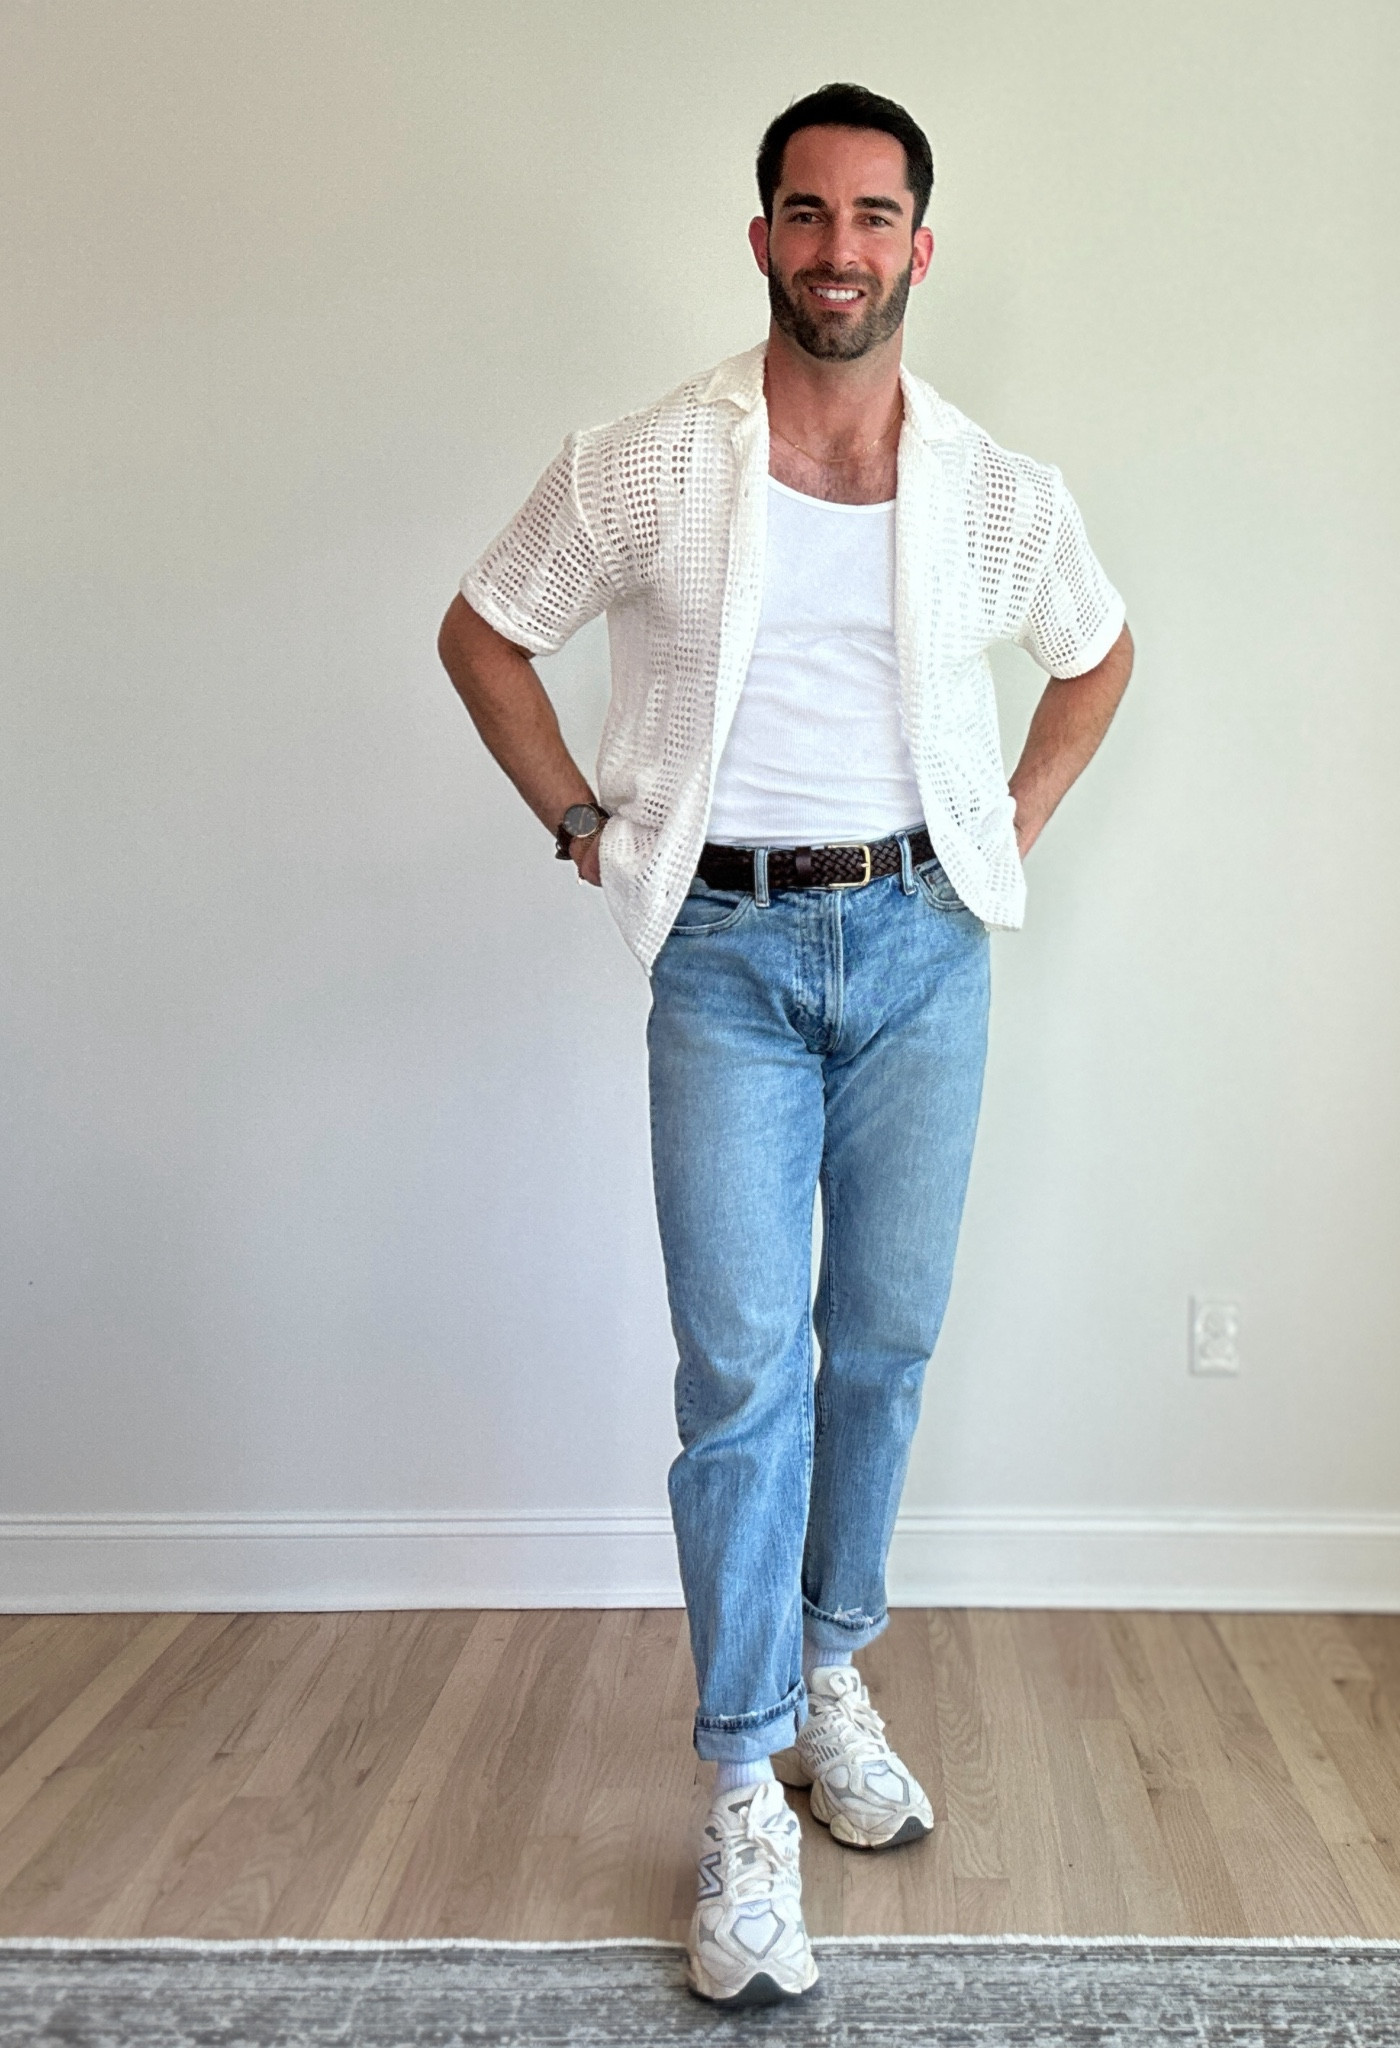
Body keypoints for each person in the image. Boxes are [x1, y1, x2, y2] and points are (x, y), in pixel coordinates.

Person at [438, 81, 1134, 2006]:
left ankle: (833, 1677)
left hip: (925, 948)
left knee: (882, 1349)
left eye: (873, 216)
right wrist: (580, 818)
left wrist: (1011, 820)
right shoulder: (651, 464)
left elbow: (1097, 650)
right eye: (807, 215)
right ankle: (743, 1788)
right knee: (741, 1375)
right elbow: (486, 630)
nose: (840, 250)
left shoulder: (995, 490)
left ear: (922, 246)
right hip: (728, 958)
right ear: (762, 238)